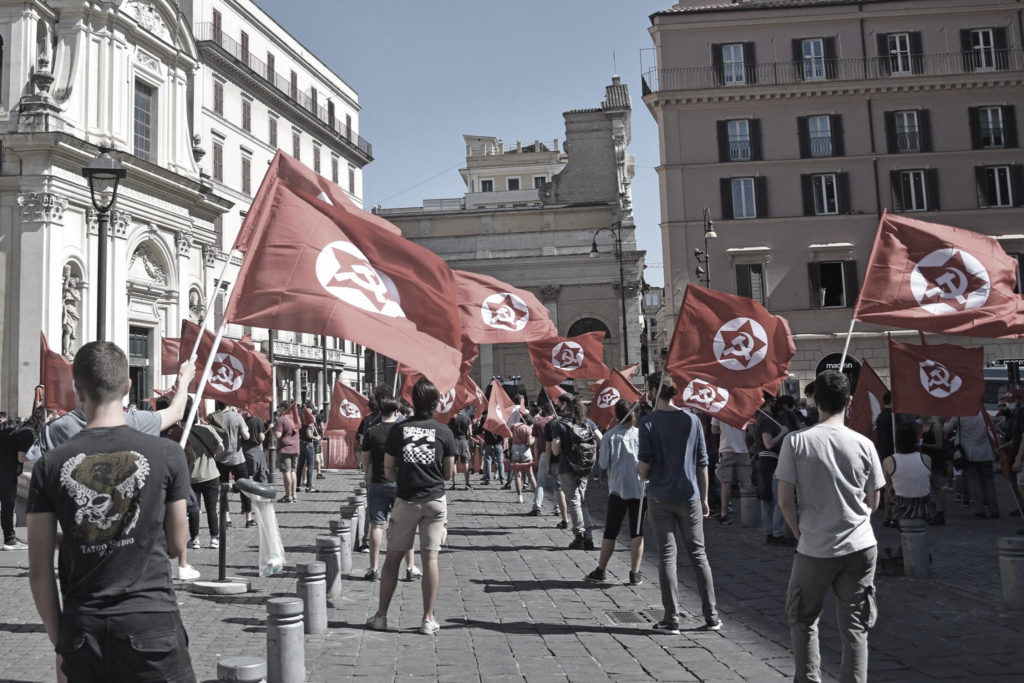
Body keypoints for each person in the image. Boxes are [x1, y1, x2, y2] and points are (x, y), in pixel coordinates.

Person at [26, 341, 196, 682]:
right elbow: (179, 545)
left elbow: (39, 570)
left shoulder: (49, 465)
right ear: (129, 385)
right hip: (151, 620)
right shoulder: (167, 454)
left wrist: (62, 643)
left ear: (77, 389)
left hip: (83, 626)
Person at [776, 370, 886, 683]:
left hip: (815, 546)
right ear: (849, 402)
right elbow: (874, 500)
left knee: (803, 617)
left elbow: (785, 501)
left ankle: (809, 678)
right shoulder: (864, 443)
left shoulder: (796, 443)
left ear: (814, 401)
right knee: (855, 626)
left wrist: (801, 535)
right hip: (861, 544)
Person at [365, 378, 454, 635]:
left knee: (392, 558)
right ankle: (428, 619)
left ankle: (381, 616)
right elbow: (448, 473)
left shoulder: (399, 431)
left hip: (407, 499)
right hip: (435, 501)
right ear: (436, 403)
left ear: (412, 401)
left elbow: (389, 469)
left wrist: (404, 477)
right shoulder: (444, 432)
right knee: (431, 558)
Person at [638, 373, 720, 634]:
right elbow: (702, 462)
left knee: (667, 557)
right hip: (691, 495)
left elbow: (643, 468)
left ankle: (671, 618)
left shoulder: (648, 422)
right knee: (698, 555)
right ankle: (712, 616)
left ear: (653, 390)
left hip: (660, 496)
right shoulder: (693, 420)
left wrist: (642, 472)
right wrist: (705, 498)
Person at [26, 357, 197, 462]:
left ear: (77, 390)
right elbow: (176, 412)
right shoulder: (135, 422)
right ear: (127, 387)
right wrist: (184, 380)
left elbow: (34, 466)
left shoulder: (54, 430)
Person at [359, 395, 420, 582]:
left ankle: (374, 568)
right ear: (397, 411)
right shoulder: (406, 432)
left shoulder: (371, 432)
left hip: (378, 481)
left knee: (377, 525)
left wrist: (368, 484)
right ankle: (410, 567)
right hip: (401, 483)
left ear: (379, 411)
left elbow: (366, 463)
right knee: (405, 526)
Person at [585, 400, 645, 585]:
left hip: (618, 490)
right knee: (637, 531)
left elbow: (602, 464)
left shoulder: (609, 436)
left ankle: (601, 569)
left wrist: (601, 477)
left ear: (617, 415)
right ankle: (635, 573)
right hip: (640, 489)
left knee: (611, 531)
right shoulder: (641, 435)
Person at [552, 393, 599, 550]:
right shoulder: (587, 422)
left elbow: (556, 450)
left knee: (573, 501)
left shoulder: (561, 425)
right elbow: (601, 439)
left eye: (559, 403)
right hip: (584, 468)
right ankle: (589, 537)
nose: (557, 405)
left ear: (565, 404)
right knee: (582, 501)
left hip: (567, 467)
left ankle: (579, 535)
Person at [2, 407, 45, 550]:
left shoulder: (23, 427)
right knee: (8, 505)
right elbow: (21, 457)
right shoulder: (28, 433)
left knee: (7, 506)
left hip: (4, 468)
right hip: (7, 471)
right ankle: (10, 539)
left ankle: (10, 537)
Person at [946, 410, 1001, 519]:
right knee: (989, 482)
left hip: (969, 453)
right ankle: (994, 510)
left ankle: (979, 510)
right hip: (985, 453)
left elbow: (946, 429)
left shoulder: (960, 414)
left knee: (974, 483)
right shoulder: (984, 414)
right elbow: (992, 428)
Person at [883, 421, 936, 524]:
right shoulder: (926, 459)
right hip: (924, 508)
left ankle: (888, 518)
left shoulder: (889, 461)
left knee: (889, 489)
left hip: (901, 509)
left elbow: (888, 487)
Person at [208, 402, 252, 528]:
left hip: (220, 458)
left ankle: (226, 519)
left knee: (223, 489)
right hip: (237, 458)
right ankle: (248, 518)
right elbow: (246, 436)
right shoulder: (237, 416)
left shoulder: (214, 418)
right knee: (245, 488)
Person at [756, 397, 792, 545]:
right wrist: (783, 432)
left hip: (766, 462)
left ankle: (770, 532)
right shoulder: (766, 420)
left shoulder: (762, 418)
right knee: (776, 499)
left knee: (767, 499)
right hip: (770, 461)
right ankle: (776, 534)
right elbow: (768, 443)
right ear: (769, 402)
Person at [711, 416, 751, 525]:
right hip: (742, 450)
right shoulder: (743, 409)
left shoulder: (720, 410)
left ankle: (724, 513)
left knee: (726, 482)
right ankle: (748, 512)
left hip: (726, 448)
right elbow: (750, 432)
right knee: (745, 481)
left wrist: (724, 431)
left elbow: (714, 431)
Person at [918, 415, 947, 525]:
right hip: (926, 459)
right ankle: (931, 510)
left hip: (935, 459)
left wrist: (923, 444)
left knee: (937, 486)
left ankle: (940, 512)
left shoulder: (936, 425)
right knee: (927, 486)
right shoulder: (924, 425)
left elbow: (939, 445)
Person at [273, 401, 300, 503]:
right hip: (295, 448)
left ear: (283, 407)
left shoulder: (281, 420)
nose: (278, 409)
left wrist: (272, 429)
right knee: (293, 471)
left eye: (279, 407)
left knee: (286, 472)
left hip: (285, 449)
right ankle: (294, 494)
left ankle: (288, 496)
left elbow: (278, 436)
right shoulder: (295, 419)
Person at [509, 412, 537, 504]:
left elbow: (510, 438)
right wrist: (534, 438)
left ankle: (519, 497)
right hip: (525, 451)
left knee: (517, 474)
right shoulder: (528, 428)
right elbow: (529, 442)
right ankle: (536, 496)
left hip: (515, 448)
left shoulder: (513, 426)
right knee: (530, 474)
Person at [448, 406, 473, 491]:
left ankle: (454, 484)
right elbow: (470, 433)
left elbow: (448, 431)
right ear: (463, 410)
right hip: (464, 442)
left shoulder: (452, 418)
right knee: (465, 463)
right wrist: (469, 440)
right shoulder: (467, 418)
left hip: (453, 442)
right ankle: (467, 483)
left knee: (454, 464)